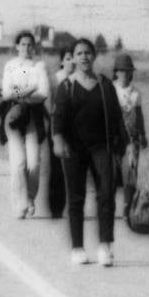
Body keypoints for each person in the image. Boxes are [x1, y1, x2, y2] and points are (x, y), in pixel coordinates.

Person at [52, 38, 127, 267]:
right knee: (76, 197)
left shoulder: (105, 85)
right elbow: (58, 119)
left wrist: (125, 147)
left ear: (94, 56)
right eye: (79, 53)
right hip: (74, 148)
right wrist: (58, 141)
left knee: (106, 194)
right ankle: (77, 247)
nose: (84, 56)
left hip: (101, 147)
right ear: (73, 58)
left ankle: (105, 245)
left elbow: (117, 118)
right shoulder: (66, 87)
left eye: (88, 53)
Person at [1, 30, 52, 218]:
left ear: (34, 47)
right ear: (16, 46)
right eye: (22, 44)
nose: (26, 48)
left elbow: (43, 93)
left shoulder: (39, 66)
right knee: (18, 163)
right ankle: (19, 204)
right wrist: (31, 89)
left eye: (30, 44)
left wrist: (20, 92)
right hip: (14, 116)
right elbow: (7, 93)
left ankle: (30, 197)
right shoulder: (12, 66)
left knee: (34, 164)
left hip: (34, 117)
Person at [112, 53, 147, 214]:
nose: (126, 74)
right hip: (113, 139)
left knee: (131, 172)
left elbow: (139, 115)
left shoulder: (136, 92)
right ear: (116, 72)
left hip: (132, 139)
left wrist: (143, 134)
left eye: (128, 71)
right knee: (111, 174)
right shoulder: (111, 89)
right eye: (122, 71)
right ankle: (107, 208)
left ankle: (128, 208)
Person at [46, 47, 75, 219]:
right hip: (57, 129)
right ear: (62, 61)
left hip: (75, 130)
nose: (72, 62)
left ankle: (72, 207)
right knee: (57, 169)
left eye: (74, 58)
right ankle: (56, 207)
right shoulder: (55, 80)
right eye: (68, 58)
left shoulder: (79, 80)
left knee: (73, 170)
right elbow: (47, 104)